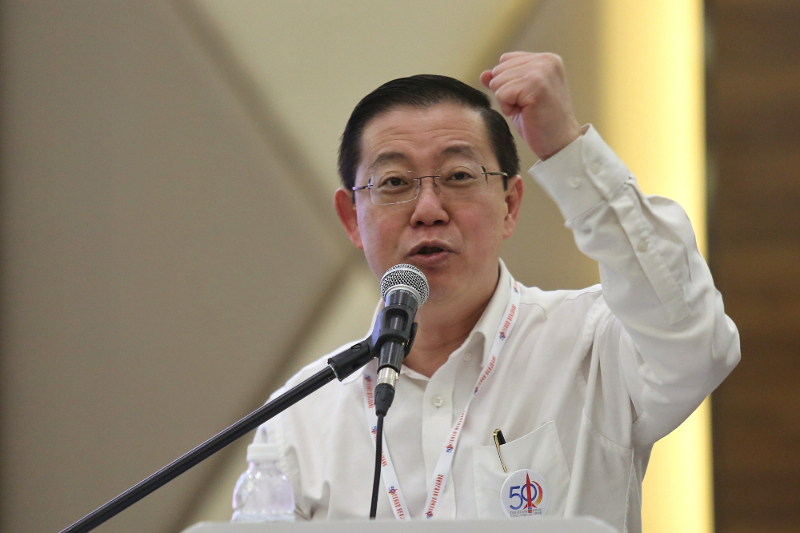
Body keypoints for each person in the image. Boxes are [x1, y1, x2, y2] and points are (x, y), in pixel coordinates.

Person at [247, 52, 740, 532]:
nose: (428, 209)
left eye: (459, 176)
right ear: (352, 218)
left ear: (510, 204)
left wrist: (567, 149)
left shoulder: (593, 346)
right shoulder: (300, 418)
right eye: (394, 182)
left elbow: (699, 345)